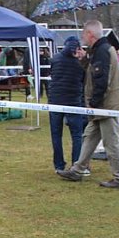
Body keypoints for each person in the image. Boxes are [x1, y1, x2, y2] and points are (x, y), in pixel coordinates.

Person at [57, 19, 119, 188]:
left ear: (90, 34)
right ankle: (78, 169)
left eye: (84, 34)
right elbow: (93, 72)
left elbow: (102, 81)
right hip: (102, 105)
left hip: (106, 105)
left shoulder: (102, 51)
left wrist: (94, 103)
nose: (82, 37)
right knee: (89, 137)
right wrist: (83, 59)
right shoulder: (99, 51)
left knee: (111, 142)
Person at [46, 36, 86, 172]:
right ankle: (77, 164)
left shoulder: (55, 59)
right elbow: (84, 80)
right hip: (73, 101)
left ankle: (58, 165)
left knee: (56, 134)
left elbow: (52, 76)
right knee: (77, 135)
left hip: (55, 101)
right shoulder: (81, 62)